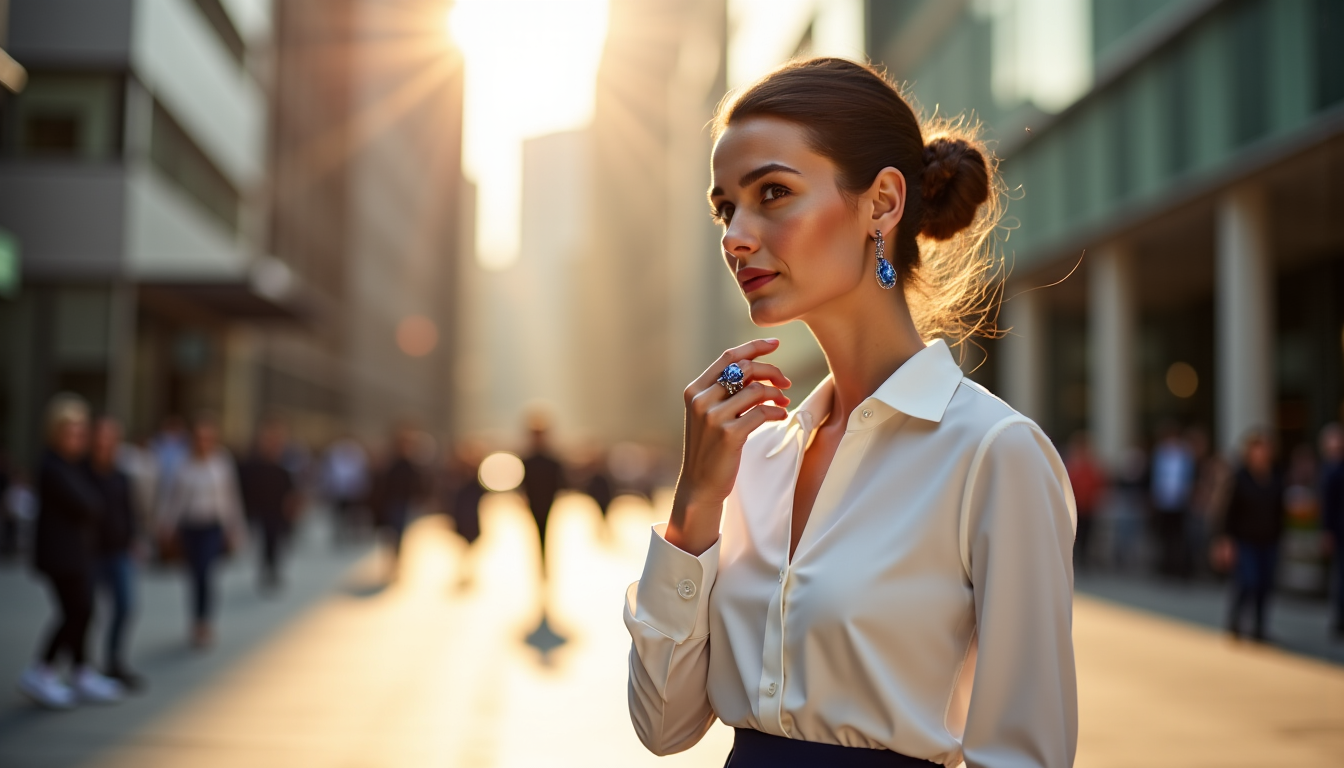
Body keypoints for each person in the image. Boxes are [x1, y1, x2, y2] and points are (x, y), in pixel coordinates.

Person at [624, 59, 1076, 766]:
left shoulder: (993, 453)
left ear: (882, 204)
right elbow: (664, 727)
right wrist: (694, 508)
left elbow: (1023, 755)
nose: (735, 236)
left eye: (772, 192)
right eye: (724, 208)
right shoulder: (758, 454)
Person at [19, 394, 124, 709]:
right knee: (75, 612)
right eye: (71, 431)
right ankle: (41, 670)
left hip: (77, 555)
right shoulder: (53, 466)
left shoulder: (73, 465)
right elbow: (89, 504)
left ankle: (81, 672)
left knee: (84, 611)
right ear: (55, 432)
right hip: (62, 557)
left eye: (81, 431)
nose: (78, 438)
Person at [157, 414, 247, 649]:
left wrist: (235, 528)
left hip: (213, 527)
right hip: (190, 527)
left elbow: (231, 498)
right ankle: (196, 620)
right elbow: (172, 499)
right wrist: (166, 526)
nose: (204, 442)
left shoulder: (222, 463)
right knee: (195, 576)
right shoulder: (183, 464)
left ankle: (204, 623)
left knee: (206, 574)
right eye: (200, 437)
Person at [86, 417, 144, 689]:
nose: (106, 443)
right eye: (102, 436)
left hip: (119, 551)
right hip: (90, 553)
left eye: (111, 438)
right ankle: (83, 667)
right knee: (86, 610)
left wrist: (134, 539)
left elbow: (128, 511)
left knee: (125, 606)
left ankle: (114, 661)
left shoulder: (121, 475)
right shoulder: (83, 473)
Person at [1221, 430, 1285, 642]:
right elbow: (1228, 511)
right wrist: (1226, 540)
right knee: (1249, 580)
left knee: (1265, 584)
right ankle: (1236, 620)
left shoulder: (1276, 476)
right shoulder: (1240, 477)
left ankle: (1260, 627)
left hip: (1269, 539)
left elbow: (1280, 509)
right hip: (1245, 538)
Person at [238, 418, 299, 593]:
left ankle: (272, 571)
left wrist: (291, 507)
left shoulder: (283, 467)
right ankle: (266, 571)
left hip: (277, 510)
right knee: (263, 542)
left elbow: (290, 489)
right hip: (260, 510)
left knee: (275, 542)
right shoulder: (251, 465)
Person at [520, 412, 564, 580]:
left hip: (547, 502)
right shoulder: (528, 459)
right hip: (535, 503)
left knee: (545, 534)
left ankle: (545, 567)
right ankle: (541, 567)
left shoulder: (552, 460)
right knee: (537, 535)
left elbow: (559, 482)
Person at [373, 425, 423, 572]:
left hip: (403, 502)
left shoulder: (410, 463)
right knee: (392, 532)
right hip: (392, 502)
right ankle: (393, 560)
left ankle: (396, 561)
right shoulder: (391, 462)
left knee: (399, 533)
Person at [1150, 423, 1196, 578]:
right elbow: (1156, 478)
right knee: (1166, 537)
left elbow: (1189, 477)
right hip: (1164, 503)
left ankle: (1181, 568)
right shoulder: (1160, 454)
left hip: (1180, 503)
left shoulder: (1185, 454)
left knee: (1180, 537)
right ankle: (1166, 567)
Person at [1065, 432, 1105, 570]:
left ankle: (1084, 559)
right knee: (1077, 534)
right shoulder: (1072, 465)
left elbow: (1097, 483)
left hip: (1088, 506)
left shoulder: (1091, 465)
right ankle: (1077, 558)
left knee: (1087, 535)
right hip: (1075, 507)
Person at [1318, 423, 1344, 639]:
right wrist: (1327, 531)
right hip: (1338, 531)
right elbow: (1328, 505)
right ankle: (1339, 619)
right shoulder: (1330, 469)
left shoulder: (1334, 468)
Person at [321, 437, 370, 546]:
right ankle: (340, 534)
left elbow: (362, 473)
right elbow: (328, 473)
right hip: (338, 492)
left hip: (353, 493)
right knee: (339, 516)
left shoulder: (357, 453)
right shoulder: (334, 453)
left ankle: (353, 534)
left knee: (353, 516)